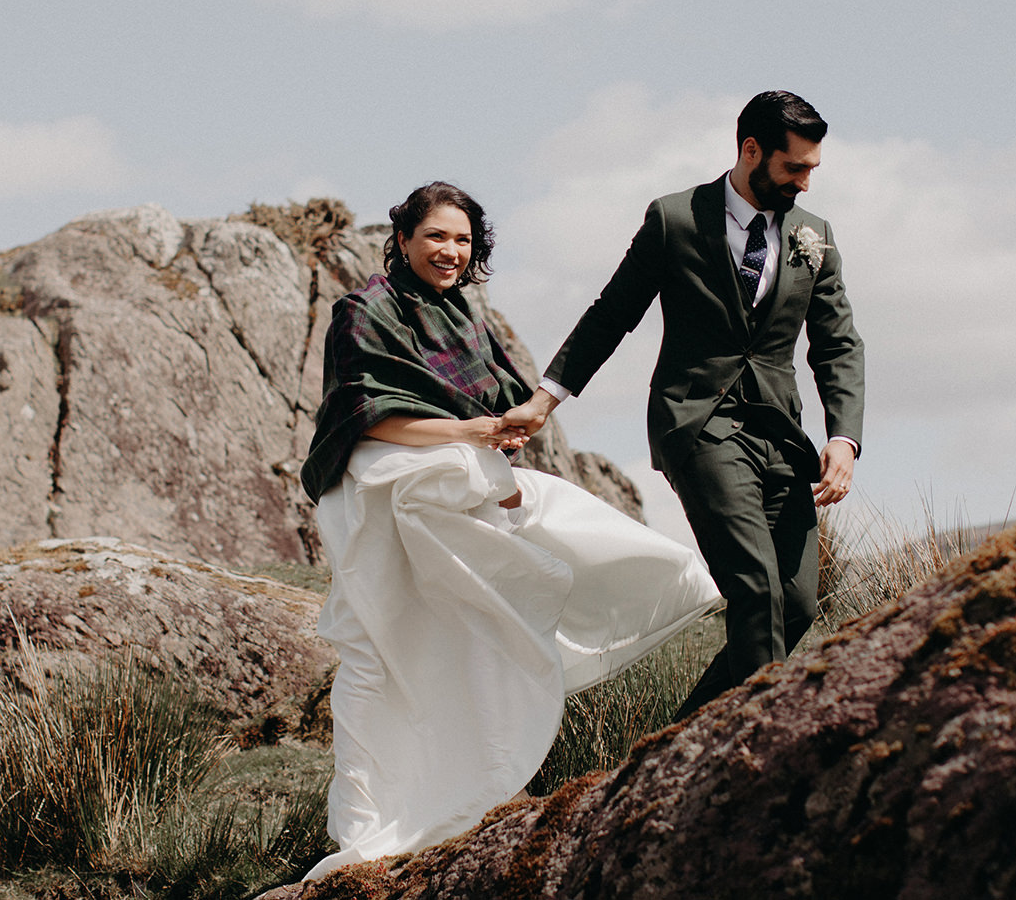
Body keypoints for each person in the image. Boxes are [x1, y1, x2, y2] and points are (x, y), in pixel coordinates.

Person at [299, 181, 720, 880]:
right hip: (386, 486)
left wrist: (512, 422)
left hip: (460, 478)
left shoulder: (466, 318)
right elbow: (367, 416)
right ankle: (373, 822)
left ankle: (476, 790)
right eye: (437, 236)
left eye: (463, 240)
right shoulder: (362, 310)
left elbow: (498, 404)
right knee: (385, 649)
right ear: (403, 239)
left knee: (480, 626)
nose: (450, 251)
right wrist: (469, 431)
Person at [504, 90, 864, 721]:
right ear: (750, 150)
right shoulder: (675, 218)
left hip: (781, 433)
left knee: (797, 603)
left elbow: (837, 342)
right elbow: (612, 314)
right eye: (794, 168)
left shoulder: (815, 236)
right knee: (755, 593)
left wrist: (844, 436)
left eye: (812, 169)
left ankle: (675, 745)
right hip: (698, 422)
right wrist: (544, 399)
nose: (805, 183)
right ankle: (757, 749)